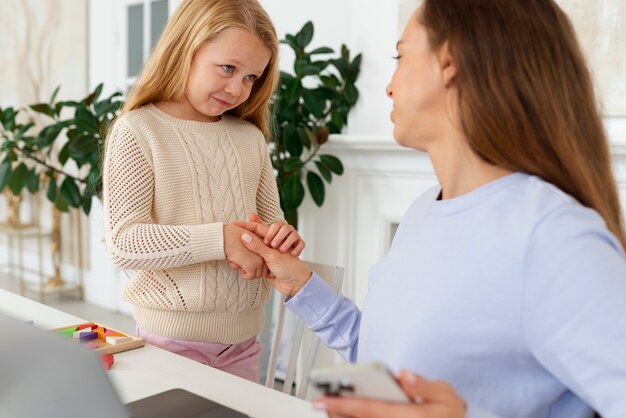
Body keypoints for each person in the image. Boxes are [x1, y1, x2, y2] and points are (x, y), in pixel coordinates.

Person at [233, 0, 626, 416]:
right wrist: (302, 287)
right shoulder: (425, 210)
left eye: (400, 56)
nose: (389, 86)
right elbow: (395, 365)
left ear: (450, 61)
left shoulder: (554, 237)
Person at [102, 0, 304, 383]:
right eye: (228, 68)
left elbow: (270, 221)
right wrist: (223, 239)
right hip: (169, 344)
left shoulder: (250, 139)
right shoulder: (139, 130)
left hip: (244, 344)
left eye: (251, 77)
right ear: (186, 49)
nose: (237, 88)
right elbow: (124, 241)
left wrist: (282, 236)